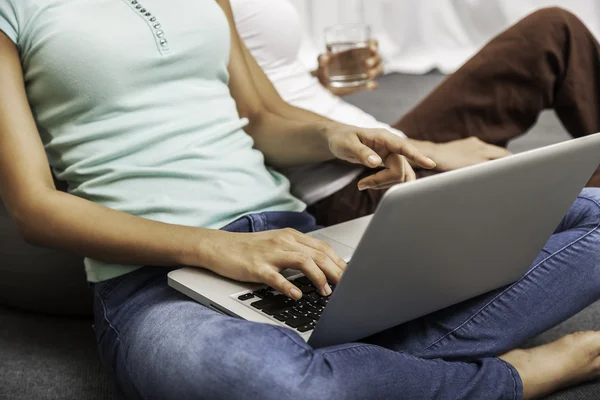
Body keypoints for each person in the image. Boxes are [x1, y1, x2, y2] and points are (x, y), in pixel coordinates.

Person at [1, 1, 600, 399]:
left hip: (305, 244)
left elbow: (261, 116)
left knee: (588, 214)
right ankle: (512, 376)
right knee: (259, 377)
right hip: (157, 285)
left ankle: (361, 363)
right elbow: (35, 207)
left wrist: (335, 137)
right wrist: (216, 247)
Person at [232, 0, 600, 225]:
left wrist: (320, 79)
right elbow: (250, 116)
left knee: (553, 31)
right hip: (356, 184)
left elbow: (264, 87)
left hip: (381, 142)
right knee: (560, 202)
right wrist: (431, 151)